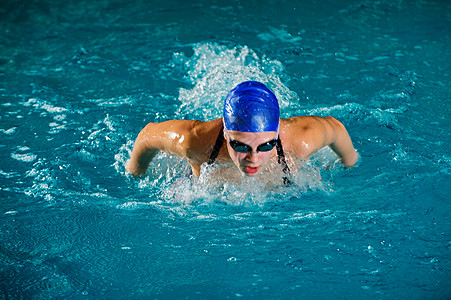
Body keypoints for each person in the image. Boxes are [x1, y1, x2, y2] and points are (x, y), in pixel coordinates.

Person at [126, 81, 358, 183]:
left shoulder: (301, 140)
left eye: (266, 145)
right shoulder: (193, 142)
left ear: (277, 134)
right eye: (240, 145)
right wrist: (136, 175)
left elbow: (335, 128)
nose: (253, 157)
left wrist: (349, 164)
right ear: (226, 134)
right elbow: (147, 135)